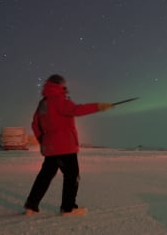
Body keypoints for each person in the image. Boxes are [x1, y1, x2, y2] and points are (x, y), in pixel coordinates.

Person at [24, 74, 113, 216]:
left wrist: (44, 140)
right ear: (59, 85)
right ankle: (68, 208)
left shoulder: (43, 103)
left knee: (45, 176)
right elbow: (76, 110)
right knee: (72, 176)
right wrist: (99, 106)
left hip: (50, 147)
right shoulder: (60, 99)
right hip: (65, 146)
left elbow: (35, 125)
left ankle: (31, 205)